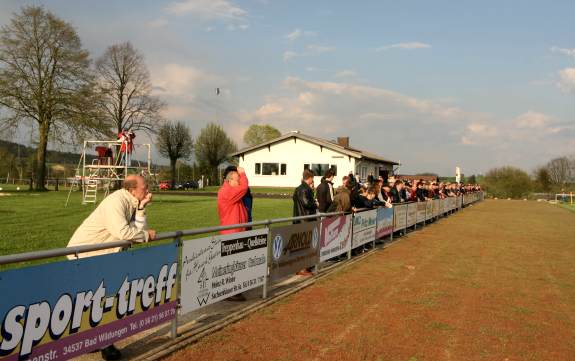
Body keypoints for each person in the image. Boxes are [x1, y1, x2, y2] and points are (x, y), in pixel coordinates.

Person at [67, 175, 156, 361]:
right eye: (144, 187)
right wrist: (146, 235)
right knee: (97, 298)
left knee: (103, 298)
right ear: (132, 189)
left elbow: (136, 230)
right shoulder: (116, 201)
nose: (147, 190)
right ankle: (103, 344)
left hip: (102, 256)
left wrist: (142, 208)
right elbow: (123, 233)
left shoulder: (131, 201)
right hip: (84, 254)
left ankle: (97, 341)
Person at [292, 169, 317, 276]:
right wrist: (315, 204)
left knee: (302, 245)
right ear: (310, 178)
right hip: (305, 219)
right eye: (313, 178)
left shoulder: (300, 188)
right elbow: (306, 203)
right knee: (304, 245)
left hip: (301, 219)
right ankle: (302, 268)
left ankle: (303, 267)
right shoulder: (303, 189)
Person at [217, 166, 249, 235]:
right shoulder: (226, 191)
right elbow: (244, 187)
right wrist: (242, 173)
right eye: (238, 180)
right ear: (230, 180)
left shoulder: (231, 191)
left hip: (236, 231)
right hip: (231, 232)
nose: (239, 183)